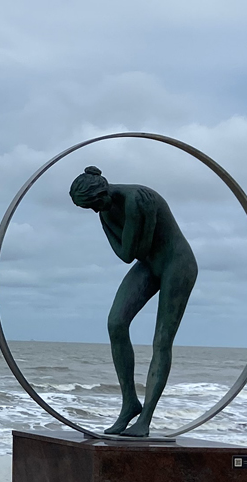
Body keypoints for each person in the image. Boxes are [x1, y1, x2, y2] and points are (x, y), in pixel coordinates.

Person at [68, 166, 197, 437]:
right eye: (89, 208)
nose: (94, 211)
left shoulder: (137, 198)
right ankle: (130, 403)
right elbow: (128, 254)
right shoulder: (105, 212)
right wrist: (134, 227)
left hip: (177, 264)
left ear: (103, 191)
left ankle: (145, 419)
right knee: (116, 323)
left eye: (94, 204)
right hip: (149, 264)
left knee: (161, 341)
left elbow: (135, 249)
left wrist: (143, 224)